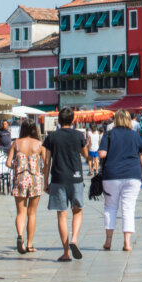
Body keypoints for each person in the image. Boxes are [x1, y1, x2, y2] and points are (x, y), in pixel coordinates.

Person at [98, 110, 142, 251]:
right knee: (128, 208)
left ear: (115, 120)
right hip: (133, 174)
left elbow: (102, 153)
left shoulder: (108, 134)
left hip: (111, 175)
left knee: (110, 208)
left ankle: (108, 241)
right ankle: (127, 242)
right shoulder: (135, 135)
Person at [42, 107, 86, 262]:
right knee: (77, 210)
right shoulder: (79, 135)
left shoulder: (52, 137)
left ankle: (66, 252)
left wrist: (45, 182)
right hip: (76, 177)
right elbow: (85, 154)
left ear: (58, 121)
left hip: (58, 178)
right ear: (72, 120)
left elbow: (47, 162)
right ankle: (74, 238)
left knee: (62, 214)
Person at [7, 119, 46, 254]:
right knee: (32, 213)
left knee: (21, 212)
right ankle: (29, 244)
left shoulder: (16, 143)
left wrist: (17, 166)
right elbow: (46, 163)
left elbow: (8, 163)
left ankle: (20, 236)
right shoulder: (40, 144)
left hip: (20, 177)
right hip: (35, 179)